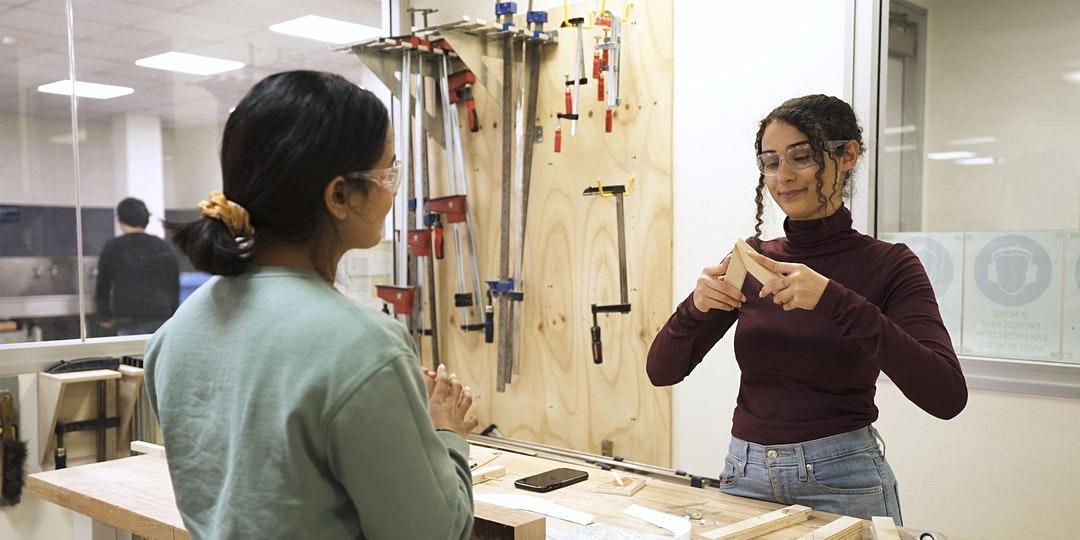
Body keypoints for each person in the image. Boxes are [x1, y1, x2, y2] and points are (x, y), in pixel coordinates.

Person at [144, 71, 476, 539]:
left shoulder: (177, 332)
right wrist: (446, 433)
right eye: (388, 173)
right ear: (339, 195)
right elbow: (433, 533)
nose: (391, 191)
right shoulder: (365, 349)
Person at [646, 95, 967, 524]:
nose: (784, 177)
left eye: (802, 157)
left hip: (844, 480)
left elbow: (946, 395)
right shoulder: (753, 260)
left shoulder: (890, 264)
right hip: (745, 475)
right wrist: (695, 307)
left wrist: (834, 300)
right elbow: (662, 372)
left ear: (847, 155)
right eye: (771, 161)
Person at [94, 197, 179, 335]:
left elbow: (103, 285)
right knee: (156, 356)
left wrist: (105, 315)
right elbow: (173, 284)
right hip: (160, 315)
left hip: (129, 317)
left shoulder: (113, 247)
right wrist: (173, 314)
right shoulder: (162, 245)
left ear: (120, 220)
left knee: (132, 356)